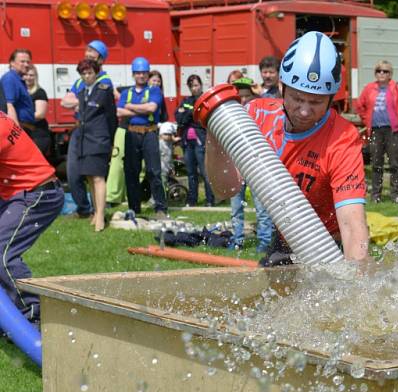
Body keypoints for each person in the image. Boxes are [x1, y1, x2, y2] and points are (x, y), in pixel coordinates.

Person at [209, 31, 370, 263]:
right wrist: (214, 135)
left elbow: (352, 223)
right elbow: (224, 190)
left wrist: (357, 279)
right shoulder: (258, 115)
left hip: (330, 245)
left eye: (315, 102)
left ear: (331, 98)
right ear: (282, 87)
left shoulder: (342, 138)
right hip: (286, 236)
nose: (304, 111)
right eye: (296, 98)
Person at [0, 111, 64, 324]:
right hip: (23, 193)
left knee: (2, 254)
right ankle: (8, 317)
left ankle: (33, 317)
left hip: (38, 194)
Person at [61, 40, 113, 217]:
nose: (88, 53)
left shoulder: (104, 80)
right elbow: (65, 101)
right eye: (87, 50)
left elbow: (104, 103)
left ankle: (96, 212)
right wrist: (86, 102)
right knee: (73, 172)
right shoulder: (80, 80)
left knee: (94, 174)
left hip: (95, 133)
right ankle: (84, 209)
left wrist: (82, 103)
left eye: (93, 51)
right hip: (79, 130)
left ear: (101, 59)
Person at [117, 57, 168, 218]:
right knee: (131, 172)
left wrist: (130, 107)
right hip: (132, 133)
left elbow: (152, 108)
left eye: (144, 73)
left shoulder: (154, 90)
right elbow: (119, 112)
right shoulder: (127, 92)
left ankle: (160, 208)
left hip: (150, 133)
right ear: (133, 74)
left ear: (148, 74)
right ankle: (134, 208)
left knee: (154, 171)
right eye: (138, 73)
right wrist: (143, 110)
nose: (141, 76)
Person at [69, 59, 117, 232]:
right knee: (90, 178)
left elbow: (112, 118)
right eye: (83, 73)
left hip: (99, 139)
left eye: (89, 72)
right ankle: (96, 212)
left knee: (98, 178)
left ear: (96, 73)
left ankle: (101, 218)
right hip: (84, 140)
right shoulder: (81, 93)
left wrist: (111, 141)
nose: (87, 76)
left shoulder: (104, 91)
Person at [227, 77, 274, 252]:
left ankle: (264, 242)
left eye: (247, 96)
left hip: (257, 165)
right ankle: (237, 240)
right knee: (236, 207)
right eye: (240, 96)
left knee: (262, 208)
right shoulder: (230, 115)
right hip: (236, 165)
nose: (244, 100)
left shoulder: (261, 113)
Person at [355, 60, 398, 204]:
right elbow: (360, 106)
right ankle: (375, 195)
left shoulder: (397, 87)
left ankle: (395, 194)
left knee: (394, 164)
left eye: (385, 71)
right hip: (375, 131)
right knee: (376, 164)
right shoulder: (369, 88)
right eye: (379, 70)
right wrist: (367, 120)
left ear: (390, 74)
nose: (381, 73)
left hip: (392, 131)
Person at [175, 74, 216, 207]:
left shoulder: (206, 100)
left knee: (205, 171)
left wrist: (187, 113)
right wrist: (190, 113)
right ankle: (192, 200)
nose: (194, 88)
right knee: (191, 172)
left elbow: (202, 118)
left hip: (201, 139)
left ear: (201, 85)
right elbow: (179, 118)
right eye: (191, 86)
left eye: (196, 85)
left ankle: (210, 199)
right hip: (187, 141)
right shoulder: (186, 100)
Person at [22, 64, 52, 160]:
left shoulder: (39, 92)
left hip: (38, 135)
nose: (28, 78)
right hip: (25, 134)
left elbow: (40, 114)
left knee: (35, 162)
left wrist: (19, 120)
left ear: (36, 77)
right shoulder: (21, 92)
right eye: (26, 75)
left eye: (31, 75)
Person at [1, 49, 35, 127]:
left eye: (28, 62)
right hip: (20, 127)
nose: (26, 65)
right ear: (12, 63)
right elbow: (9, 105)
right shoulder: (10, 79)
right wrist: (16, 129)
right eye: (22, 61)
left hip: (26, 126)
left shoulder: (18, 79)